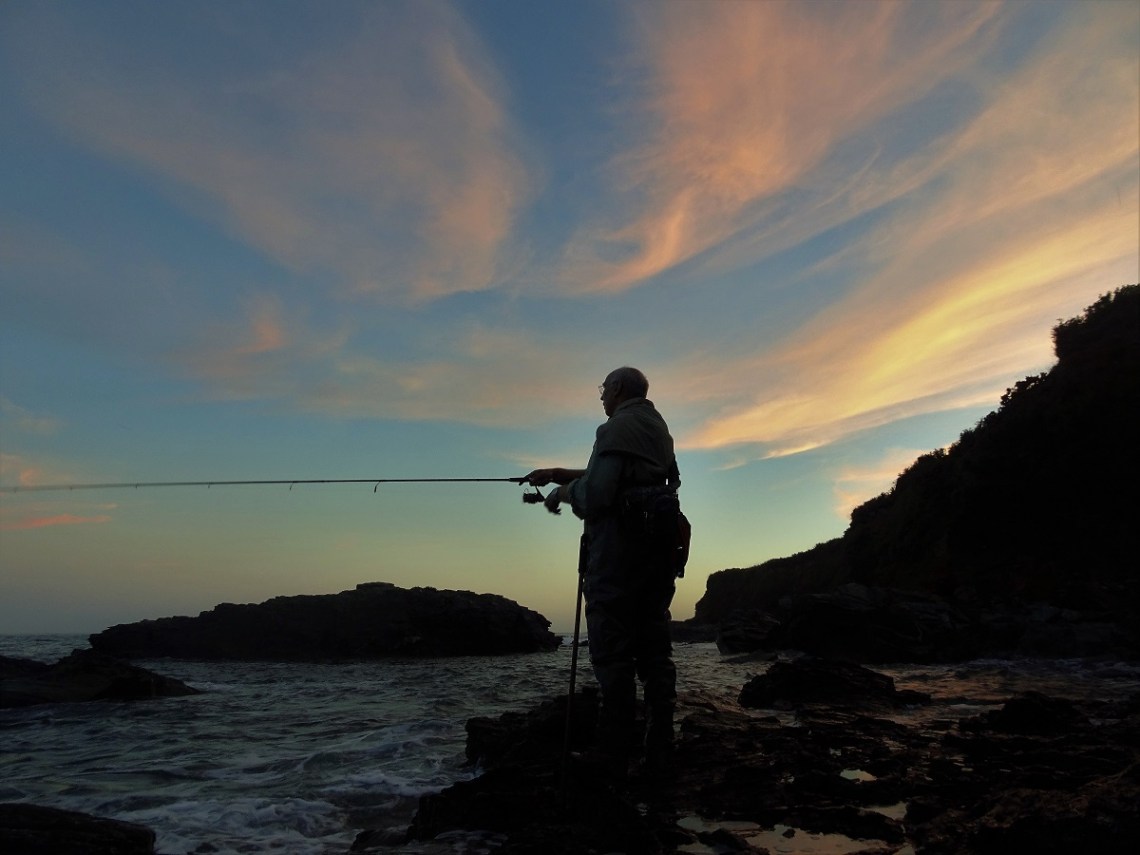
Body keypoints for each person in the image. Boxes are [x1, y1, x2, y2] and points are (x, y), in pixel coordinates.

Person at [526, 366, 683, 776]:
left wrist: (562, 492)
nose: (600, 397)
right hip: (657, 558)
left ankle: (613, 751)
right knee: (654, 648)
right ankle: (660, 745)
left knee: (612, 652)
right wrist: (562, 473)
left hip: (618, 559)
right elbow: (629, 477)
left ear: (616, 389)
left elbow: (597, 494)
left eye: (603, 389)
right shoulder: (656, 427)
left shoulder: (613, 428)